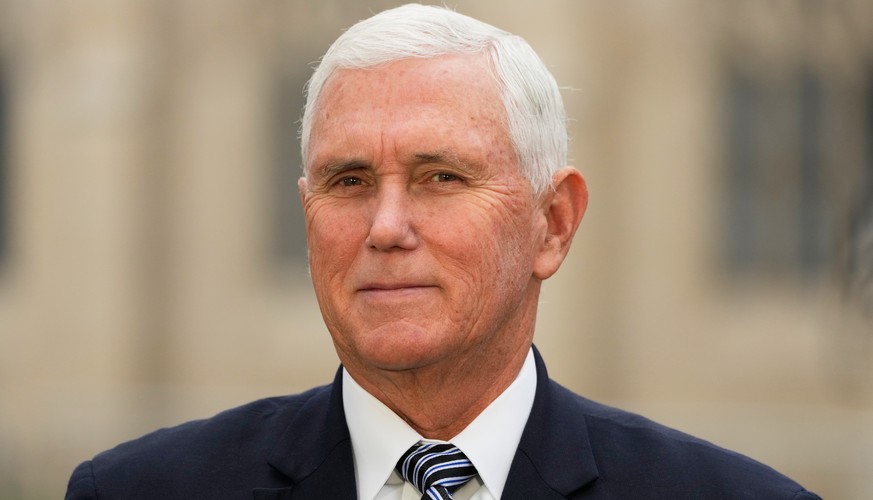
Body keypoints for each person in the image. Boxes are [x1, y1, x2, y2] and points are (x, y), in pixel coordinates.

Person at [65, 4, 820, 499]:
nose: (386, 226)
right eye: (349, 181)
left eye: (440, 177)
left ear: (553, 223)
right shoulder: (135, 491)